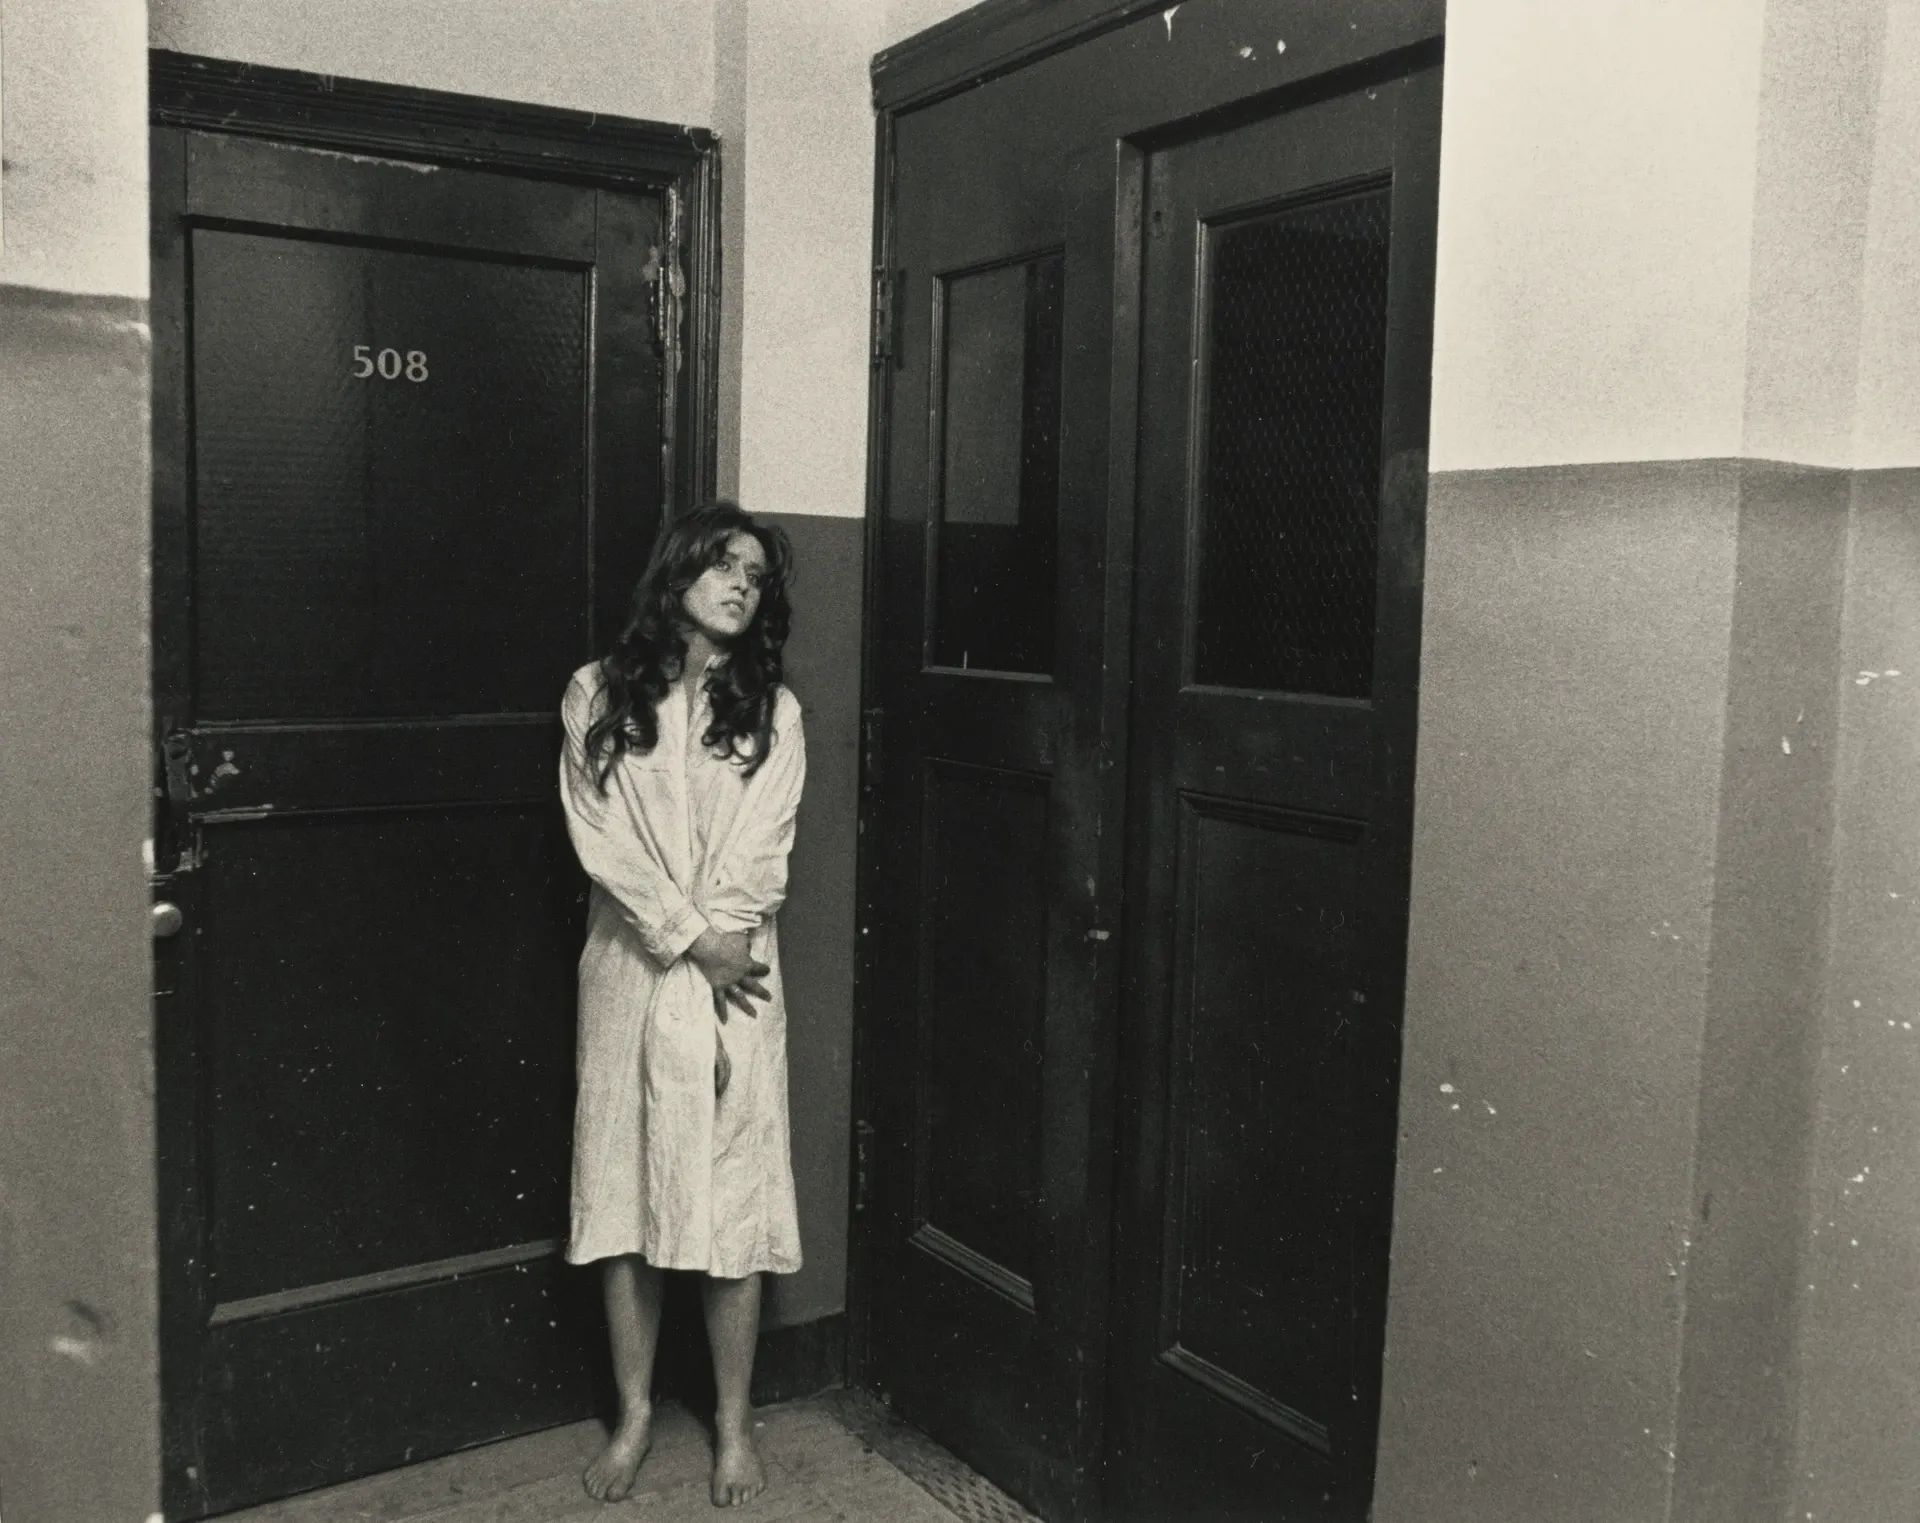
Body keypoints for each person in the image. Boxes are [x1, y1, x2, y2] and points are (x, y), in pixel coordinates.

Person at [558, 502, 805, 1507]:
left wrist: (715, 947)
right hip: (632, 970)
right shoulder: (596, 694)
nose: (743, 583)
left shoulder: (774, 711)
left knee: (731, 1197)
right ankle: (635, 1415)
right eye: (723, 565)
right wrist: (685, 937)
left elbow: (764, 849)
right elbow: (603, 838)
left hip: (737, 977)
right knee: (624, 1193)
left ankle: (734, 1427)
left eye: (756, 572)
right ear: (679, 575)